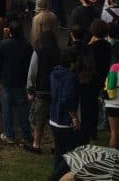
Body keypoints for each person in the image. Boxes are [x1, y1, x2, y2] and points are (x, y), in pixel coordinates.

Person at [0, 19, 33, 146]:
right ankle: (26, 135)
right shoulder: (26, 45)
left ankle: (9, 134)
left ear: (9, 31)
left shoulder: (3, 44)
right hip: (21, 81)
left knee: (6, 109)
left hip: (6, 81)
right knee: (23, 109)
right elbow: (29, 65)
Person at [48, 50, 81, 179]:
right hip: (64, 121)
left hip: (54, 118)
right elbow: (67, 99)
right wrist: (74, 117)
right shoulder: (70, 77)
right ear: (72, 63)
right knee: (72, 152)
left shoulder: (54, 72)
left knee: (59, 150)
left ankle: (56, 174)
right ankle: (58, 175)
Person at [26, 31, 60, 154]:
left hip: (41, 91)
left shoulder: (38, 52)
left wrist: (30, 88)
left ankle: (36, 145)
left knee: (38, 121)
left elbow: (32, 71)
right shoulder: (59, 52)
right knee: (54, 120)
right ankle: (56, 146)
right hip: (56, 91)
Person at [105, 43, 119, 149]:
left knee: (114, 133)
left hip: (112, 104)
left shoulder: (114, 67)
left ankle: (111, 160)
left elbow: (110, 87)